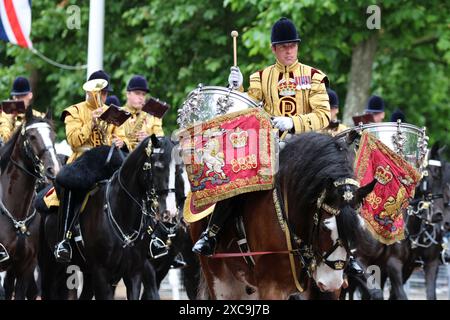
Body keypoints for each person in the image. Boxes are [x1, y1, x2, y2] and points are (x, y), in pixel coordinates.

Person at [193, 17, 331, 256]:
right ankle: (212, 234)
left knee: (342, 189)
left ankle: (348, 255)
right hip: (271, 148)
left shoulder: (314, 77)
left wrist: (294, 123)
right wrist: (236, 88)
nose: (289, 51)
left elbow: (323, 116)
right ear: (274, 49)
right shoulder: (260, 77)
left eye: (293, 46)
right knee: (239, 179)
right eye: (284, 47)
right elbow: (247, 108)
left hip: (306, 150)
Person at [52, 70, 127, 262]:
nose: (102, 97)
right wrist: (91, 123)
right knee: (70, 184)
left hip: (108, 160)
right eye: (99, 93)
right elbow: (74, 141)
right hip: (83, 161)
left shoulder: (112, 111)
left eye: (104, 93)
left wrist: (122, 142)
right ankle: (64, 240)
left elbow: (122, 134)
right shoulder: (74, 111)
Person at [121, 75, 164, 152]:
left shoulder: (154, 114)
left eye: (143, 94)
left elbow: (161, 142)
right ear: (128, 94)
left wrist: (149, 139)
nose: (141, 97)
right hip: (122, 160)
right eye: (137, 93)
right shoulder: (117, 113)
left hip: (148, 160)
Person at [0, 76, 45, 143]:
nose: (18, 99)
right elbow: (5, 140)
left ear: (30, 95)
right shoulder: (6, 116)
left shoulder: (39, 116)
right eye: (16, 96)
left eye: (22, 96)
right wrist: (12, 119)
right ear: (13, 97)